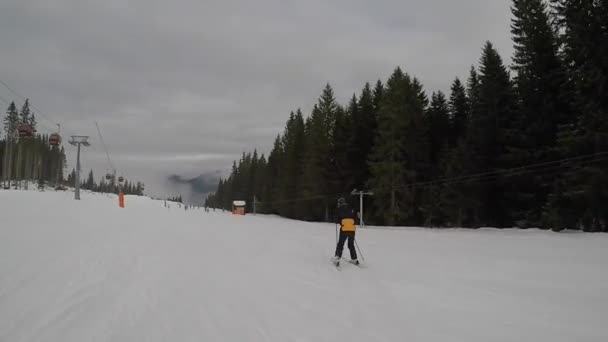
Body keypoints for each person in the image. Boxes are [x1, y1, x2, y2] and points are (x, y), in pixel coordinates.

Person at [332, 197, 359, 266]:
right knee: (351, 244)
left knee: (340, 244)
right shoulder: (351, 208)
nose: (338, 204)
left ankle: (337, 258)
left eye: (338, 203)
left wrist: (337, 220)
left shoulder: (339, 209)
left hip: (344, 229)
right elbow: (355, 218)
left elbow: (336, 220)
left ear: (340, 203)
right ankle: (354, 259)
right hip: (352, 229)